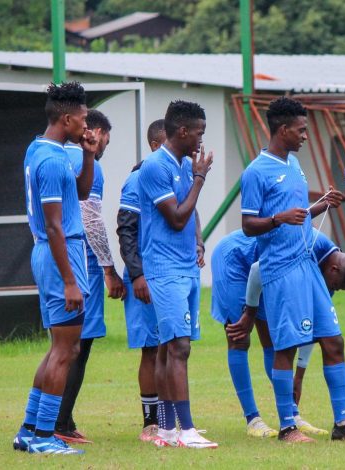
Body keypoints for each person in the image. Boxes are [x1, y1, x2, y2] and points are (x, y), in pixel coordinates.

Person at [241, 96, 345, 442]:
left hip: (307, 267)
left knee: (333, 340)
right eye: (301, 130)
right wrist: (277, 219)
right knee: (287, 346)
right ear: (283, 129)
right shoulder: (257, 171)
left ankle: (343, 425)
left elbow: (295, 215)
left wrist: (319, 206)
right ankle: (288, 427)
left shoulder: (293, 165)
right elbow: (248, 225)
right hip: (281, 270)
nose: (305, 136)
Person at [13, 82, 98, 455]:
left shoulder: (48, 150)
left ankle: (28, 430)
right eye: (82, 120)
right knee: (67, 350)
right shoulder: (49, 161)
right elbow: (53, 225)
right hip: (58, 253)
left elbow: (78, 194)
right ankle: (45, 437)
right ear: (66, 118)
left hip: (56, 252)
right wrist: (70, 281)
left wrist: (89, 155)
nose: (87, 126)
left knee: (58, 348)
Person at [214, 228, 345, 437]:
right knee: (239, 338)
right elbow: (256, 270)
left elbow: (310, 326)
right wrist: (249, 313)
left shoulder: (326, 272)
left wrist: (299, 374)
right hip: (236, 260)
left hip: (266, 274)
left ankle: (292, 414)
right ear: (334, 269)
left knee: (273, 340)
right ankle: (253, 419)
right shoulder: (306, 247)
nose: (332, 290)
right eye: (335, 285)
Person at [138, 101, 216, 449]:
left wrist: (198, 243)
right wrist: (200, 177)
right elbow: (176, 217)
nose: (202, 138)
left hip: (184, 266)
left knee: (174, 348)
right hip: (164, 268)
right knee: (177, 346)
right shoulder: (155, 167)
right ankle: (186, 429)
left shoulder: (184, 164)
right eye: (199, 131)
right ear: (182, 131)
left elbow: (190, 215)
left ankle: (168, 431)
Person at [54, 109, 125, 444]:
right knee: (79, 344)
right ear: (96, 131)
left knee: (64, 343)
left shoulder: (49, 154)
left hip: (56, 258)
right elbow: (92, 219)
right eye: (106, 139)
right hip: (83, 263)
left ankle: (57, 419)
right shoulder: (88, 164)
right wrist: (110, 270)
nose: (105, 146)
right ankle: (60, 423)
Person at [116, 119, 166, 443]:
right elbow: (126, 229)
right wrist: (137, 275)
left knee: (172, 348)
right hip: (145, 278)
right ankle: (150, 423)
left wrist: (198, 245)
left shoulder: (176, 177)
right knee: (150, 350)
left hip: (170, 276)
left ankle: (171, 419)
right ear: (154, 144)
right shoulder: (137, 179)